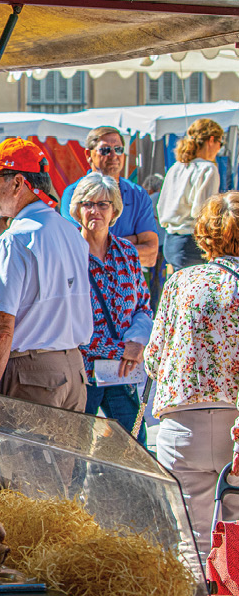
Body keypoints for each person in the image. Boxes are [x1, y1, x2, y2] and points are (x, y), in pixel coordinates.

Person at [145, 191, 239, 561]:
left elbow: (154, 360)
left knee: (189, 547)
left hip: (183, 426)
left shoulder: (182, 282)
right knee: (235, 545)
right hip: (235, 422)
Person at [0, 137, 93, 410]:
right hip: (73, 370)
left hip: (32, 374)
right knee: (64, 455)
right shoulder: (69, 232)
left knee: (20, 454)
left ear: (17, 183)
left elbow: (2, 325)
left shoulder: (15, 239)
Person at [69, 173, 152, 440]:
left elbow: (143, 306)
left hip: (121, 372)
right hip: (83, 373)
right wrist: (121, 349)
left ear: (114, 209)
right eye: (87, 203)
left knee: (135, 448)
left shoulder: (127, 252)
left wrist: (137, 344)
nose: (95, 210)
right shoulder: (67, 254)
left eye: (103, 204)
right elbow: (68, 323)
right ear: (77, 210)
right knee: (76, 452)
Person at [60, 127, 160, 268]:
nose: (113, 155)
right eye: (105, 150)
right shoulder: (74, 193)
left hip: (128, 284)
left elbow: (150, 256)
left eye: (118, 149)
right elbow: (78, 249)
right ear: (89, 154)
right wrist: (132, 241)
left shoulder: (138, 194)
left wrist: (104, 245)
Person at [158, 118, 225, 270]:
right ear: (212, 140)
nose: (219, 149)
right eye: (220, 143)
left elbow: (161, 206)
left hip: (170, 241)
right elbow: (203, 212)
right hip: (191, 243)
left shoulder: (176, 167)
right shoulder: (208, 169)